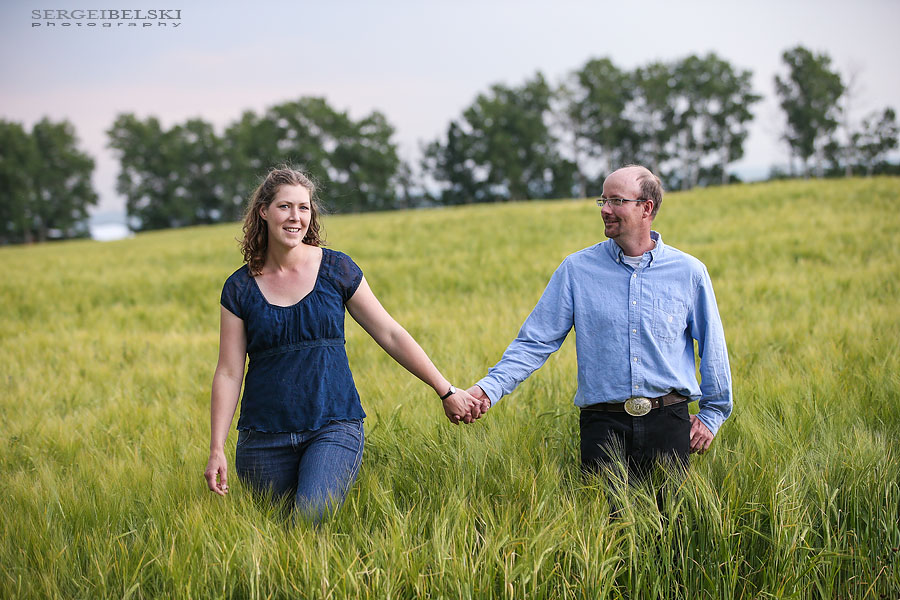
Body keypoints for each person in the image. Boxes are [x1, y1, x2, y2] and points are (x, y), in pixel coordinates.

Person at [204, 167, 483, 522]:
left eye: (304, 208)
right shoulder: (239, 288)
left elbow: (390, 333)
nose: (295, 217)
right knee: (277, 538)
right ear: (264, 211)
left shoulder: (336, 269)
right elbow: (229, 372)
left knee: (310, 517)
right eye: (285, 207)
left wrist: (445, 390)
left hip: (332, 425)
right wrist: (217, 448)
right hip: (263, 440)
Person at [466, 164, 732, 481]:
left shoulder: (689, 271)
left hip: (669, 423)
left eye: (616, 201)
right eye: (602, 201)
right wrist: (487, 390)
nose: (605, 209)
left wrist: (713, 414)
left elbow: (713, 346)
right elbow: (535, 342)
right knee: (606, 527)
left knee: (667, 527)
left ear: (646, 208)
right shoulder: (576, 270)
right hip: (602, 426)